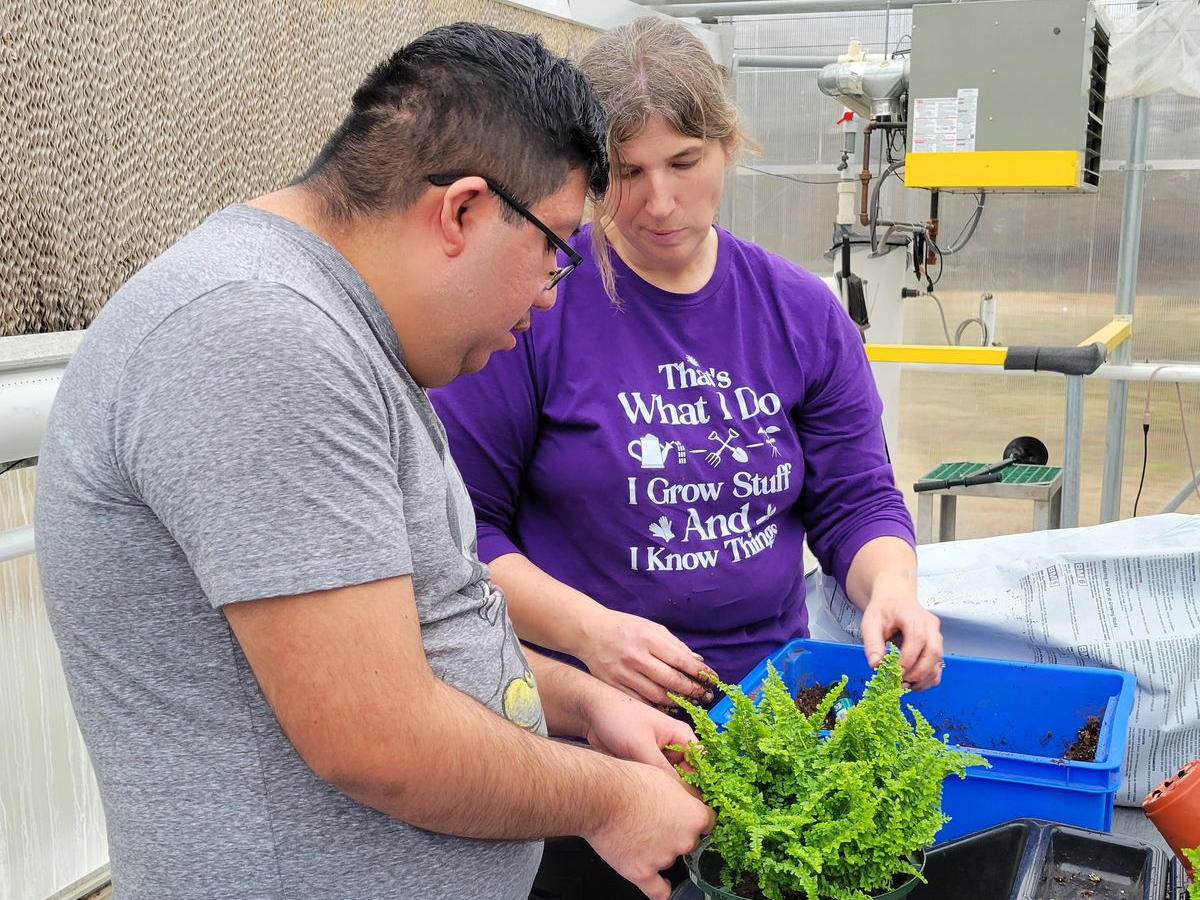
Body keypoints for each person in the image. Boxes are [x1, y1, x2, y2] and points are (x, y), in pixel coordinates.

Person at [34, 22, 713, 900]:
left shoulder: (332, 326)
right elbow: (376, 737)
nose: (551, 296)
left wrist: (586, 705)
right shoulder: (258, 335)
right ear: (463, 210)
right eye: (554, 248)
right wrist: (609, 799)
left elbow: (419, 637)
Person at [430, 16, 944, 899]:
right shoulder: (532, 309)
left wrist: (890, 585)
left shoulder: (799, 314)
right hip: (585, 741)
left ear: (727, 144)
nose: (658, 202)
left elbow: (855, 498)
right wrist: (592, 632)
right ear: (587, 173)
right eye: (626, 173)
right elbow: (454, 536)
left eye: (685, 162)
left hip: (772, 723)